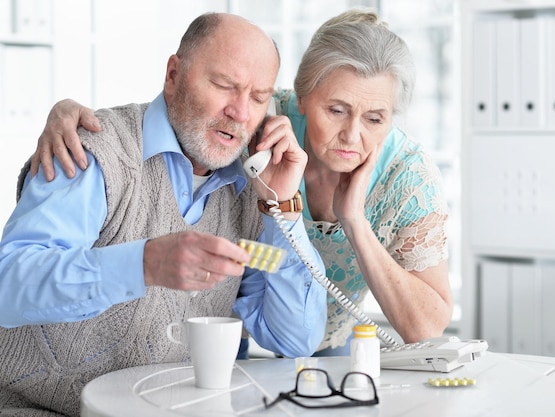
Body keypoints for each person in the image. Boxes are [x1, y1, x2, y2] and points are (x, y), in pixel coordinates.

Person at [30, 9, 453, 358]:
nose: (352, 135)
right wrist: (67, 112)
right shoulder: (259, 126)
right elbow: (183, 112)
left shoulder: (406, 178)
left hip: (328, 337)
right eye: (336, 110)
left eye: (375, 119)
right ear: (300, 98)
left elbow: (425, 328)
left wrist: (347, 220)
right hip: (225, 329)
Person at [0, 12, 328, 417]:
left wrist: (282, 205)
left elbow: (294, 339)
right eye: (224, 85)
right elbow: (9, 282)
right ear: (174, 75)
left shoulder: (252, 190)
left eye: (259, 97)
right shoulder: (94, 154)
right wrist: (143, 264)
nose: (241, 113)